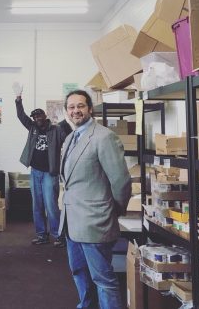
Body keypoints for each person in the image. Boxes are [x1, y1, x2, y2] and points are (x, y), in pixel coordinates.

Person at [59, 89, 131, 309]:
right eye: (71, 107)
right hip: (72, 222)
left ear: (90, 109)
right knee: (79, 272)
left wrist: (113, 210)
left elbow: (121, 181)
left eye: (80, 106)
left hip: (95, 221)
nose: (76, 111)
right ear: (67, 111)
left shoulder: (104, 137)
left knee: (103, 280)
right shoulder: (70, 138)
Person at [15, 91, 68, 247]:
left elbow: (68, 139)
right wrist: (18, 99)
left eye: (39, 116)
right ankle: (41, 235)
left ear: (45, 116)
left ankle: (58, 235)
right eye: (35, 117)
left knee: (51, 205)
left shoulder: (56, 130)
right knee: (37, 205)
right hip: (35, 172)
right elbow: (21, 116)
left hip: (50, 173)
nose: (37, 119)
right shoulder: (32, 128)